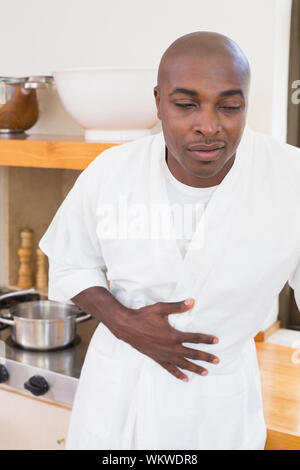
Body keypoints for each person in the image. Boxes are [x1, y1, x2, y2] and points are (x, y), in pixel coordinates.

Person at [39, 31, 300, 450]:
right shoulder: (111, 172)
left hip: (215, 406)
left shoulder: (290, 180)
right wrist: (125, 325)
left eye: (230, 106)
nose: (209, 125)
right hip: (115, 393)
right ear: (158, 101)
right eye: (185, 105)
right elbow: (71, 262)